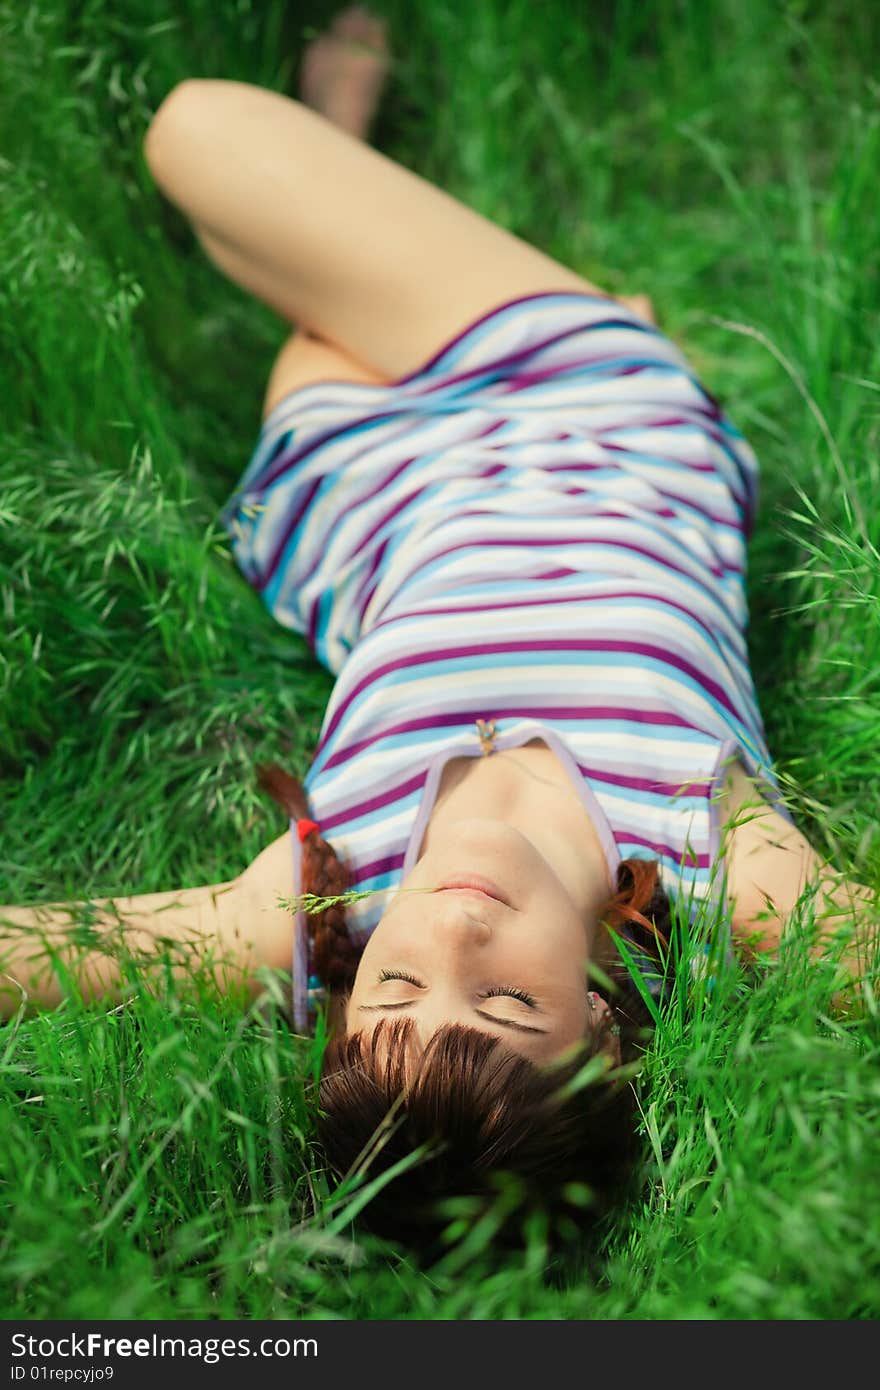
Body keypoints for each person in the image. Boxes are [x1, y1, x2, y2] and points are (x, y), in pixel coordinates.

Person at [2, 7, 876, 1252]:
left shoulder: (315, 903)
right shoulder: (722, 871)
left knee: (258, 242)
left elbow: (33, 954)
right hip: (588, 412)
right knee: (203, 139)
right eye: (510, 997)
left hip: (364, 482)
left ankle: (368, 182)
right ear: (605, 1024)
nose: (452, 929)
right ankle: (498, 261)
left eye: (400, 986)